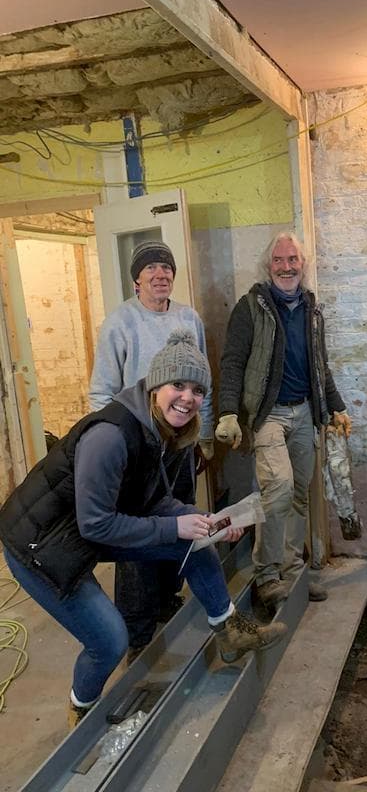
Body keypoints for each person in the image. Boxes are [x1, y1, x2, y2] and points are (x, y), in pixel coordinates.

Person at [0, 330, 285, 728]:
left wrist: (202, 522)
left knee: (195, 542)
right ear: (156, 386)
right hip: (40, 546)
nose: (187, 397)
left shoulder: (157, 430)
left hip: (80, 529)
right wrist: (174, 528)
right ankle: (80, 712)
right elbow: (97, 524)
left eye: (198, 390)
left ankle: (229, 630)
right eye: (178, 385)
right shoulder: (110, 436)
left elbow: (152, 502)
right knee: (108, 642)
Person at [89, 240, 214, 663]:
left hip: (180, 443)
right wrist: (112, 442)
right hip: (138, 446)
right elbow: (101, 390)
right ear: (136, 278)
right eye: (151, 268)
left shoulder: (188, 318)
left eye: (166, 267)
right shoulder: (119, 323)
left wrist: (205, 437)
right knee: (139, 537)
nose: (160, 274)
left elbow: (202, 382)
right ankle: (136, 632)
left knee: (180, 521)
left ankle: (167, 600)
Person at [215, 232, 352, 607]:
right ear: (268, 266)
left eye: (293, 259)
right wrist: (228, 411)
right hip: (268, 415)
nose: (286, 266)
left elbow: (319, 365)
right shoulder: (250, 307)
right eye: (279, 260)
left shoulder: (312, 309)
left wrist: (336, 406)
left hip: (305, 411)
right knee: (277, 490)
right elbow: (232, 362)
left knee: (299, 496)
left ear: (302, 265)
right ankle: (266, 575)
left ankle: (293, 574)